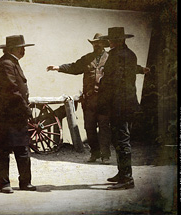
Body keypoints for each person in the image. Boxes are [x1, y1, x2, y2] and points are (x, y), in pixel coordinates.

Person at [0, 35, 36, 194]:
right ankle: (4, 184)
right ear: (14, 49)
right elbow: (12, 90)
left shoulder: (12, 62)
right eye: (22, 47)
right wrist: (26, 109)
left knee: (22, 149)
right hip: (5, 116)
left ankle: (25, 182)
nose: (24, 50)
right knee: (4, 150)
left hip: (16, 115)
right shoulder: (6, 64)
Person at [47, 33, 112, 164]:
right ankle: (95, 154)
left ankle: (106, 156)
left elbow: (126, 70)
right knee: (89, 127)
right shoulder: (87, 58)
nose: (96, 45)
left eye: (98, 42)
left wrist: (140, 70)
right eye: (94, 43)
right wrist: (58, 68)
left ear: (104, 44)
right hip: (89, 101)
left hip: (104, 101)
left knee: (104, 128)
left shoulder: (111, 59)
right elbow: (74, 67)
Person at [97, 27, 138, 190]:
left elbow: (114, 81)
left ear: (120, 40)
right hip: (124, 103)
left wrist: (100, 80)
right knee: (119, 139)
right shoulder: (130, 54)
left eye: (112, 39)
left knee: (121, 139)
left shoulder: (117, 55)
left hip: (119, 104)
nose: (110, 42)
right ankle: (122, 173)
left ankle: (127, 178)